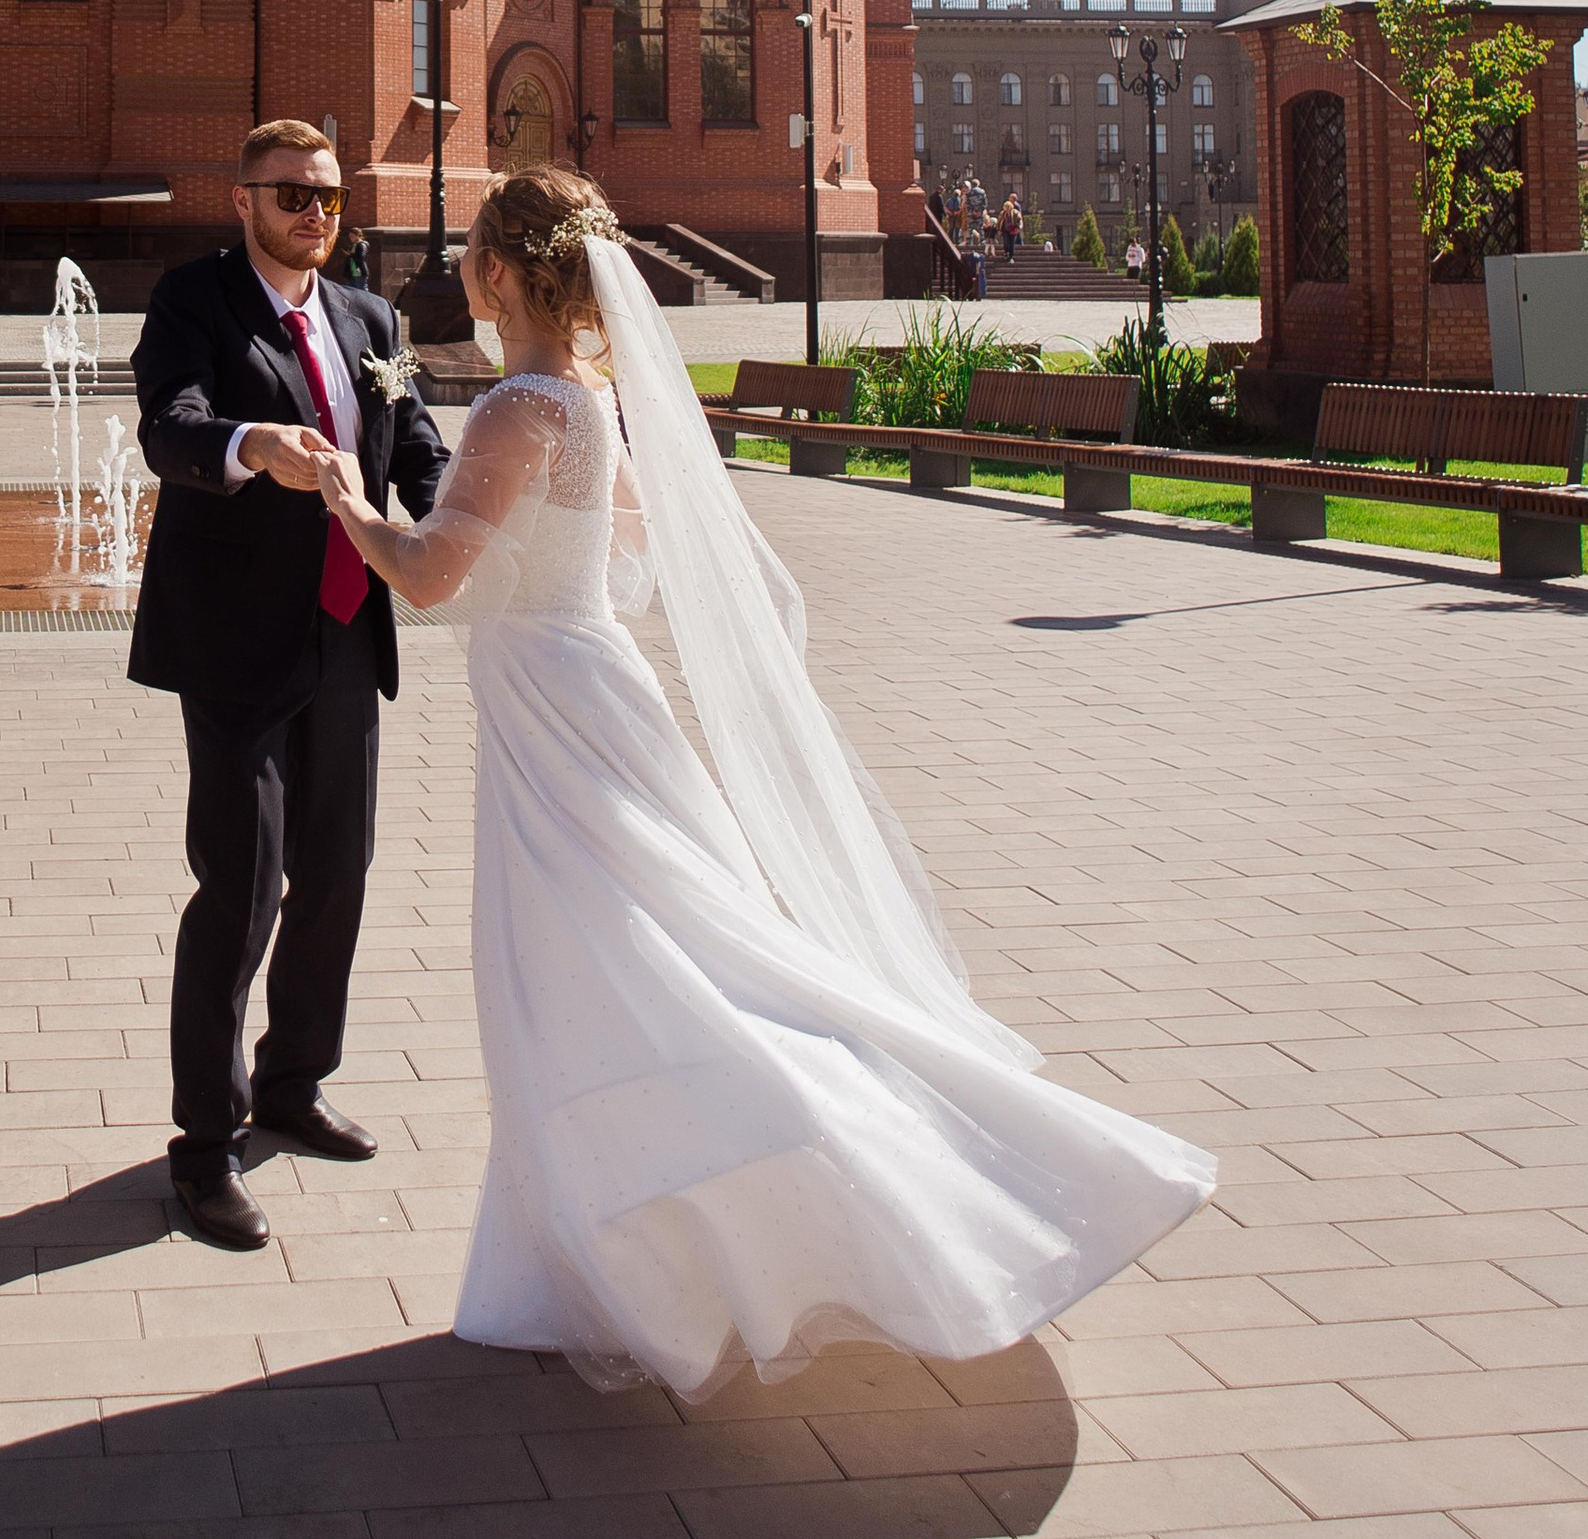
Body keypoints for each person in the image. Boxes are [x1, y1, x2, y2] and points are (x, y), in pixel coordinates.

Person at [307, 169, 1212, 1397]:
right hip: (589, 682)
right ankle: (596, 1253)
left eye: (471, 250)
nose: (462, 266)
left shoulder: (517, 407)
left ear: (501, 273)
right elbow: (618, 545)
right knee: (647, 950)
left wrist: (350, 500)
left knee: (583, 966)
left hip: (553, 709)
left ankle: (660, 1241)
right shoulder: (588, 398)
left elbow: (427, 575)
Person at [128, 117, 450, 1252]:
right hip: (234, 643)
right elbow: (168, 427)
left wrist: (468, 515)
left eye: (328, 196)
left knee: (337, 872)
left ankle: (294, 1082)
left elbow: (416, 443)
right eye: (292, 194)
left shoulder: (370, 317)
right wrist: (250, 446)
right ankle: (204, 1145)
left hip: (348, 630)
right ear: (243, 199)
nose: (316, 213)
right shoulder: (194, 300)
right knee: (242, 885)